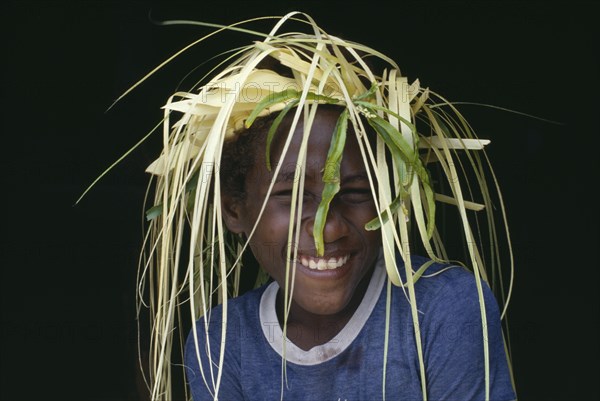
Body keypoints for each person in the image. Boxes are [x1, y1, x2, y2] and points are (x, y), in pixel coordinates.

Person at [131, 12, 516, 401]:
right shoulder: (221, 342)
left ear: (390, 195)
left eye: (353, 192)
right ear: (235, 210)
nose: (327, 229)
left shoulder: (443, 308)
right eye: (292, 196)